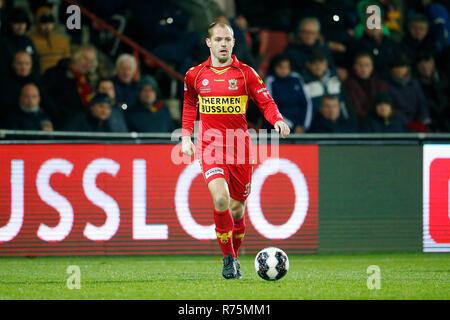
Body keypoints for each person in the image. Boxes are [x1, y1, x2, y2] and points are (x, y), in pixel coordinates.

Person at [181, 21, 289, 280]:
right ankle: (228, 260)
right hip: (210, 146)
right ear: (208, 42)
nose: (223, 44)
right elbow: (188, 104)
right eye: (218, 39)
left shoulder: (246, 74)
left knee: (237, 209)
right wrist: (186, 137)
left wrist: (277, 120)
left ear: (233, 43)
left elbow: (265, 101)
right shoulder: (195, 75)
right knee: (220, 199)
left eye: (227, 40)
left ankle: (236, 256)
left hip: (240, 148)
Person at [42, 44, 98, 127]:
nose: (88, 64)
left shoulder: (89, 81)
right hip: (58, 123)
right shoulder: (55, 73)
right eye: (85, 58)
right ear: (76, 57)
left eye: (91, 61)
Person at [263, 54, 312, 133]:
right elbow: (271, 108)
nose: (284, 70)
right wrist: (291, 126)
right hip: (278, 129)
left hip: (301, 128)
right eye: (281, 67)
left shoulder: (297, 78)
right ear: (274, 67)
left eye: (287, 67)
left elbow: (307, 103)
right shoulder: (270, 81)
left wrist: (304, 125)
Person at [343, 52, 389, 122]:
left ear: (372, 67)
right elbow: (355, 110)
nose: (363, 69)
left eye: (367, 65)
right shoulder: (348, 84)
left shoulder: (380, 84)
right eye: (360, 65)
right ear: (354, 66)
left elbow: (385, 105)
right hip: (359, 123)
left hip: (379, 122)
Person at [29, 6, 71, 74]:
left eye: (50, 22)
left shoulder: (63, 40)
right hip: (40, 77)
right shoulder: (30, 40)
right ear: (37, 23)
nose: (47, 25)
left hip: (59, 77)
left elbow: (67, 61)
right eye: (44, 22)